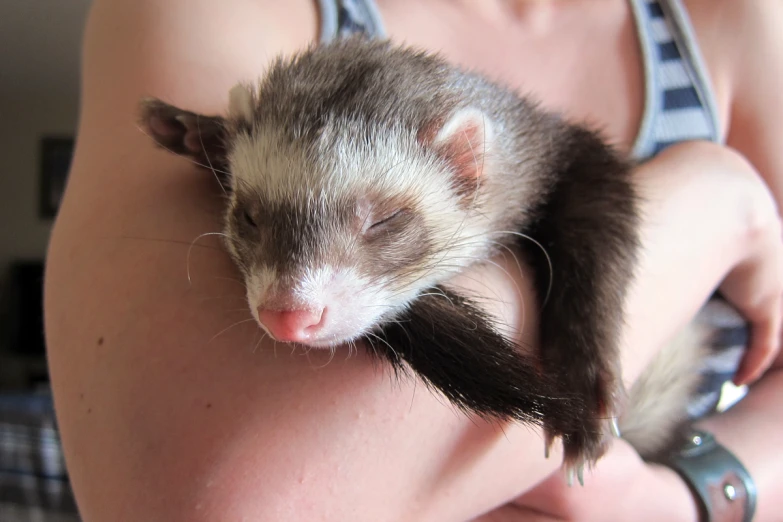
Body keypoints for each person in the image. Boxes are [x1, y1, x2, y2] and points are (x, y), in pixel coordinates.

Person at [43, 0, 783, 520]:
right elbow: (229, 501)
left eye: (382, 225)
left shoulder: (734, 22)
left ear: (466, 164)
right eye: (253, 215)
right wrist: (717, 200)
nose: (288, 300)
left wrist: (693, 496)